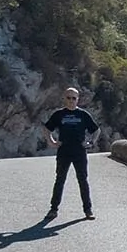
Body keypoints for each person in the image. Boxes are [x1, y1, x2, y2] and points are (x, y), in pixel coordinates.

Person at [43, 88, 99, 221]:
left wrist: (90, 142)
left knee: (83, 180)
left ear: (78, 99)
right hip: (64, 152)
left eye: (74, 98)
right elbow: (46, 129)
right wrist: (51, 142)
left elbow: (96, 130)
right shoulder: (59, 114)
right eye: (68, 98)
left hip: (79, 152)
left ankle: (88, 210)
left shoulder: (83, 115)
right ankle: (53, 209)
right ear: (64, 98)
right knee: (60, 180)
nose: (71, 101)